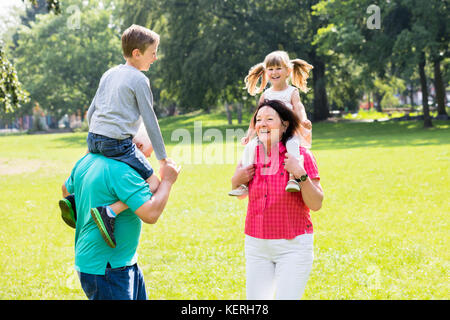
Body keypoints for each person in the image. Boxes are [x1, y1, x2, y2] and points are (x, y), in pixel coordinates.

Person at [59, 24, 167, 248]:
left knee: (87, 174)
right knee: (155, 184)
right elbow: (150, 120)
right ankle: (109, 211)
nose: (155, 58)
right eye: (153, 52)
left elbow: (91, 112)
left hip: (94, 138)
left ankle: (74, 200)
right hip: (118, 144)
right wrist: (163, 159)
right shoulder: (139, 80)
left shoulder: (109, 74)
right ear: (137, 53)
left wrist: (96, 139)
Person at [62, 138, 180, 300]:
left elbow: (65, 190)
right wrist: (167, 181)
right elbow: (151, 214)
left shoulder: (88, 160)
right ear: (137, 147)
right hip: (109, 267)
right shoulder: (122, 171)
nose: (148, 159)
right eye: (148, 154)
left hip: (112, 261)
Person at [230, 100, 323, 300]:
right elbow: (241, 192)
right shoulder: (250, 154)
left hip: (293, 246)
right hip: (257, 246)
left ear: (285, 125)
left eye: (270, 119)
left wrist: (300, 174)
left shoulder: (300, 156)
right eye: (259, 119)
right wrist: (235, 180)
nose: (262, 123)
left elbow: (316, 204)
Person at [229, 51, 313, 197]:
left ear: (288, 71)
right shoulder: (266, 94)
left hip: (288, 131)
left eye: (278, 68)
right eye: (271, 69)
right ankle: (244, 184)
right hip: (269, 134)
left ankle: (293, 179)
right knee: (250, 148)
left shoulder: (292, 91)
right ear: (266, 72)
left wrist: (304, 120)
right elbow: (256, 117)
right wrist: (249, 135)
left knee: (292, 145)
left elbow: (299, 107)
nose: (274, 72)